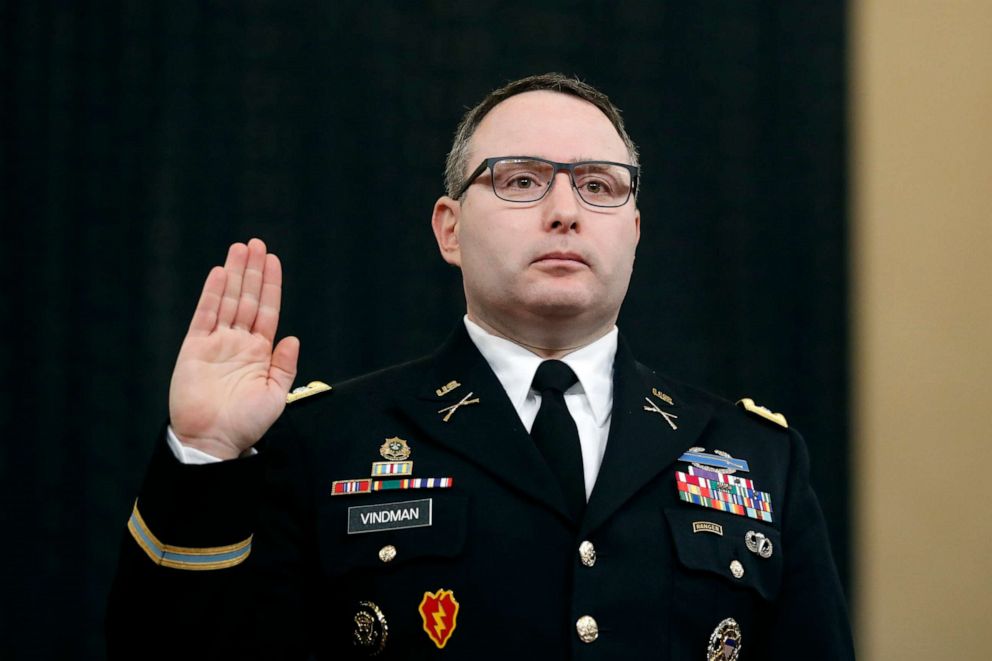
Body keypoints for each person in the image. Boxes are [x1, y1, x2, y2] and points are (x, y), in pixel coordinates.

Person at [107, 73, 855, 660]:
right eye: (521, 179)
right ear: (450, 228)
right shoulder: (325, 441)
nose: (564, 209)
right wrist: (203, 454)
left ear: (634, 227)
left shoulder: (758, 457)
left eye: (598, 185)